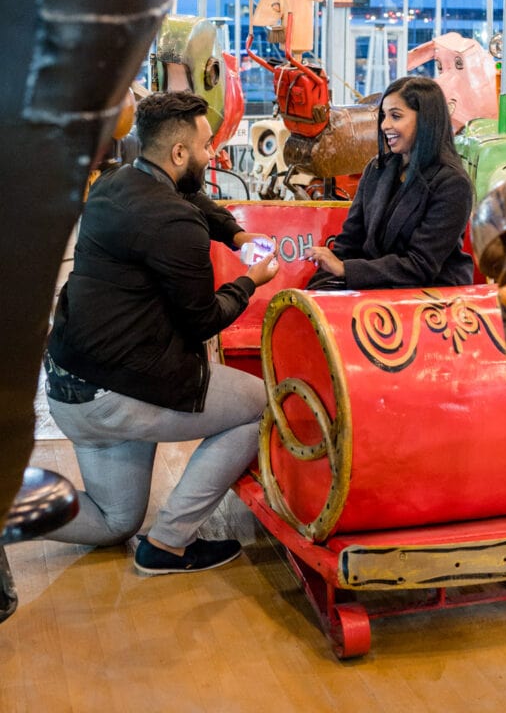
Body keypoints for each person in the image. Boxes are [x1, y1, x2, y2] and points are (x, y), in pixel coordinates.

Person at [44, 91, 278, 575]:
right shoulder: (175, 224)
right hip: (116, 393)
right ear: (178, 154)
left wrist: (235, 233)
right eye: (207, 145)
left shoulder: (112, 183)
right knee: (263, 404)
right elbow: (204, 319)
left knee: (114, 521)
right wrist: (250, 282)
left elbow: (189, 195)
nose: (212, 154)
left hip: (68, 388)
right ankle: (170, 544)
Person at [306, 75, 474, 289]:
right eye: (383, 116)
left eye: (396, 116)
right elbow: (348, 243)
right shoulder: (376, 169)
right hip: (377, 289)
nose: (385, 125)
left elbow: (420, 265)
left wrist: (345, 269)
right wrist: (316, 289)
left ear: (426, 119)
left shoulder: (453, 184)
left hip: (431, 299)